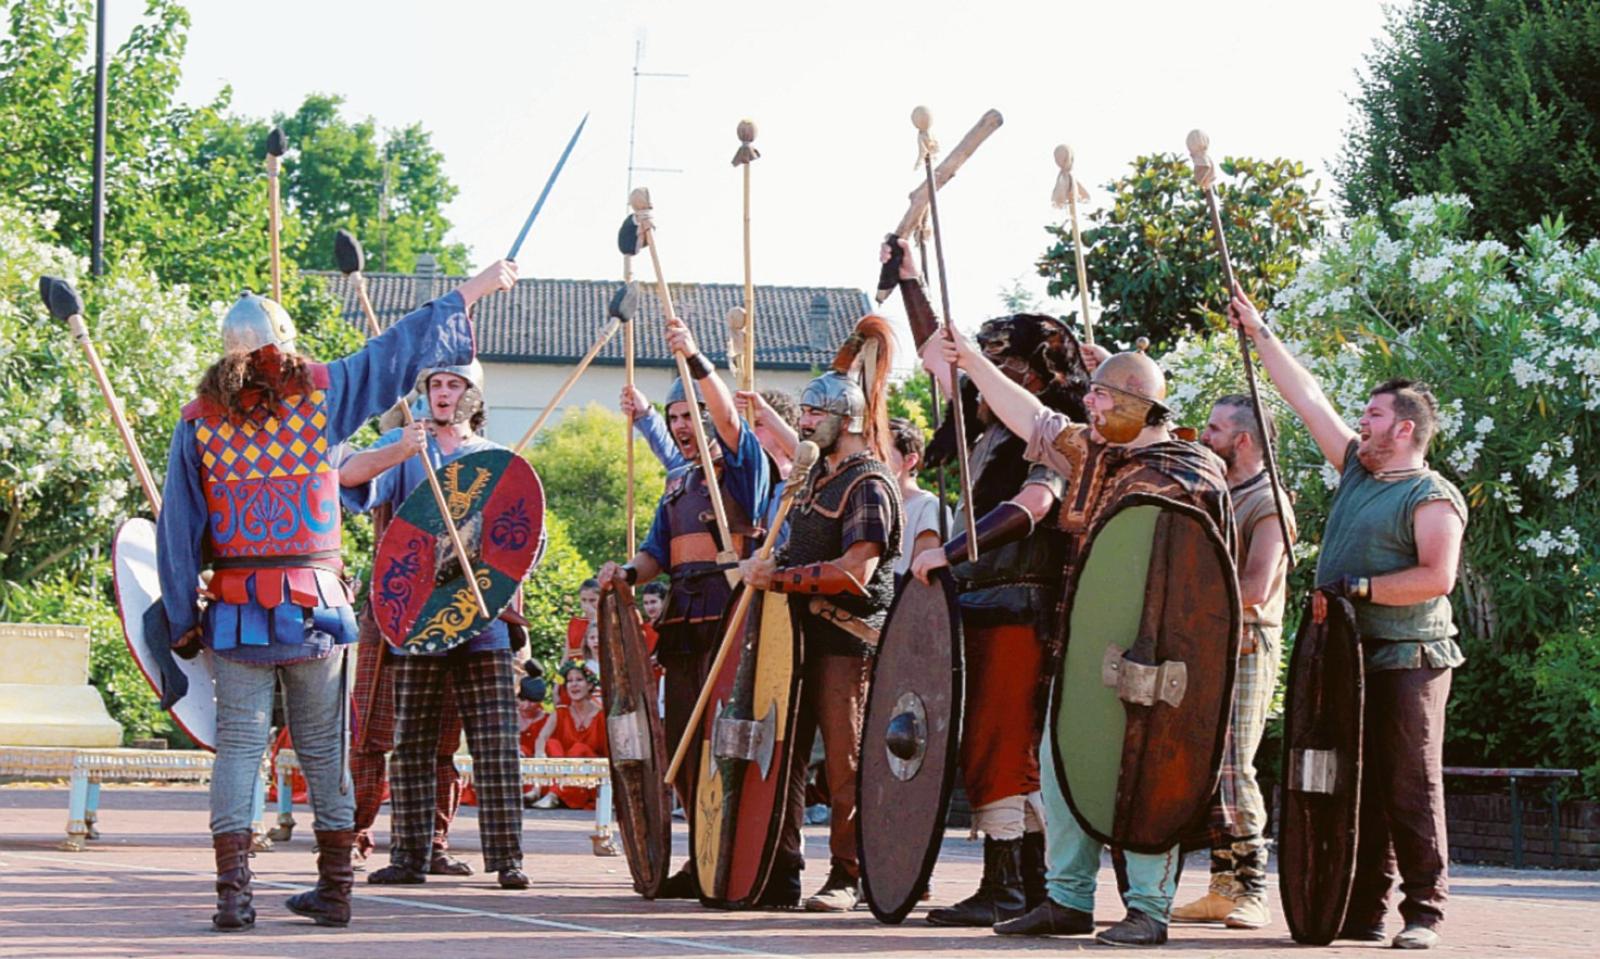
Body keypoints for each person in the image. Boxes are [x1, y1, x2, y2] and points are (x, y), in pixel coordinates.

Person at [156, 261, 509, 931]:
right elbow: (397, 348)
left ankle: (234, 897)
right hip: (316, 607)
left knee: (239, 748)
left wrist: (179, 618)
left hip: (235, 611)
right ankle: (335, 891)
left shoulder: (198, 421)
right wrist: (475, 289)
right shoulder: (323, 394)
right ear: (287, 345)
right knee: (323, 749)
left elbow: (179, 529)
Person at [930, 325, 1234, 947]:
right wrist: (969, 361)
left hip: (1160, 658)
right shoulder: (1094, 454)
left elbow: (1199, 578)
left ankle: (1148, 908)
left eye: (1098, 399)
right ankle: (1067, 899)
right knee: (1063, 765)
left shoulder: (1191, 469)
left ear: (1135, 404)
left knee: (1147, 779)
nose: (1086, 408)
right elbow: (1033, 419)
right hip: (1085, 652)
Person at [1229, 286, 1467, 951]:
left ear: (1404, 429)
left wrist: (1359, 586)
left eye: (1372, 415)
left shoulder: (1431, 493)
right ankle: (1362, 911)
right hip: (1349, 657)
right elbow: (1307, 399)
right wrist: (1258, 330)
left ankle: (1425, 913)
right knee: (1354, 787)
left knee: (1409, 785)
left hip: (1408, 660)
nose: (1359, 422)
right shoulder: (1359, 474)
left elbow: (1435, 577)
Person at [900, 288, 1090, 925]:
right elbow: (940, 359)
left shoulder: (1051, 444)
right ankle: (1017, 883)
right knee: (989, 743)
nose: (985, 383)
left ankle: (1013, 886)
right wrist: (909, 279)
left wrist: (950, 553)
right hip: (985, 606)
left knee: (1003, 744)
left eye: (1002, 370)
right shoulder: (986, 438)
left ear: (1036, 380)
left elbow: (1033, 508)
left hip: (1018, 607)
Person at [339, 356, 534, 891]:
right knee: (413, 742)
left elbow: (523, 541)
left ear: (473, 396)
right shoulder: (409, 452)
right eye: (435, 384)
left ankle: (507, 857)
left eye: (454, 385)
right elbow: (348, 479)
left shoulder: (494, 459)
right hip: (419, 618)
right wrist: (397, 449)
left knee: (494, 744)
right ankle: (409, 853)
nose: (443, 394)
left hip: (481, 620)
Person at [596, 317, 772, 899]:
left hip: (732, 612)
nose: (684, 427)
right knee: (684, 742)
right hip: (684, 620)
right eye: (674, 419)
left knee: (726, 735)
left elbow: (727, 419)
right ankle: (699, 856)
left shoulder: (745, 468)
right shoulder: (676, 484)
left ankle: (733, 857)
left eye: (689, 415)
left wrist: (696, 358)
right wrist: (624, 575)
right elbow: (654, 554)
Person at [741, 314, 901, 912]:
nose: (803, 423)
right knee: (780, 757)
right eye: (802, 414)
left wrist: (778, 576)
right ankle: (776, 871)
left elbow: (856, 573)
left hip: (846, 640)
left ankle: (850, 875)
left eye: (813, 414)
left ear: (846, 419)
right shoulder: (812, 483)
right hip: (798, 640)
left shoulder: (868, 483)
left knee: (846, 764)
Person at [1171, 395, 1297, 930]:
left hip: (1247, 641)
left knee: (1235, 765)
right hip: (1208, 640)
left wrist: (1187, 602)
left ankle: (1253, 887)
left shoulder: (1268, 501)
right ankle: (1223, 885)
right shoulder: (1219, 492)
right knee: (1207, 766)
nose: (1205, 437)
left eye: (1216, 429)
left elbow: (1256, 586)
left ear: (1243, 440)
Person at [533, 660, 609, 810]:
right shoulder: (560, 712)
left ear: (590, 685)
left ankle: (554, 795)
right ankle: (553, 791)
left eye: (579, 680)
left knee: (579, 749)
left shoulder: (601, 715)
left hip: (588, 778)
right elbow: (542, 738)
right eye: (569, 681)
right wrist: (539, 753)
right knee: (552, 744)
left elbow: (607, 753)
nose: (573, 684)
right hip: (560, 773)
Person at [886, 417, 948, 580]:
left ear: (910, 460)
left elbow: (920, 579)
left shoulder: (927, 507)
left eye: (883, 451)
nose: (873, 457)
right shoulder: (874, 505)